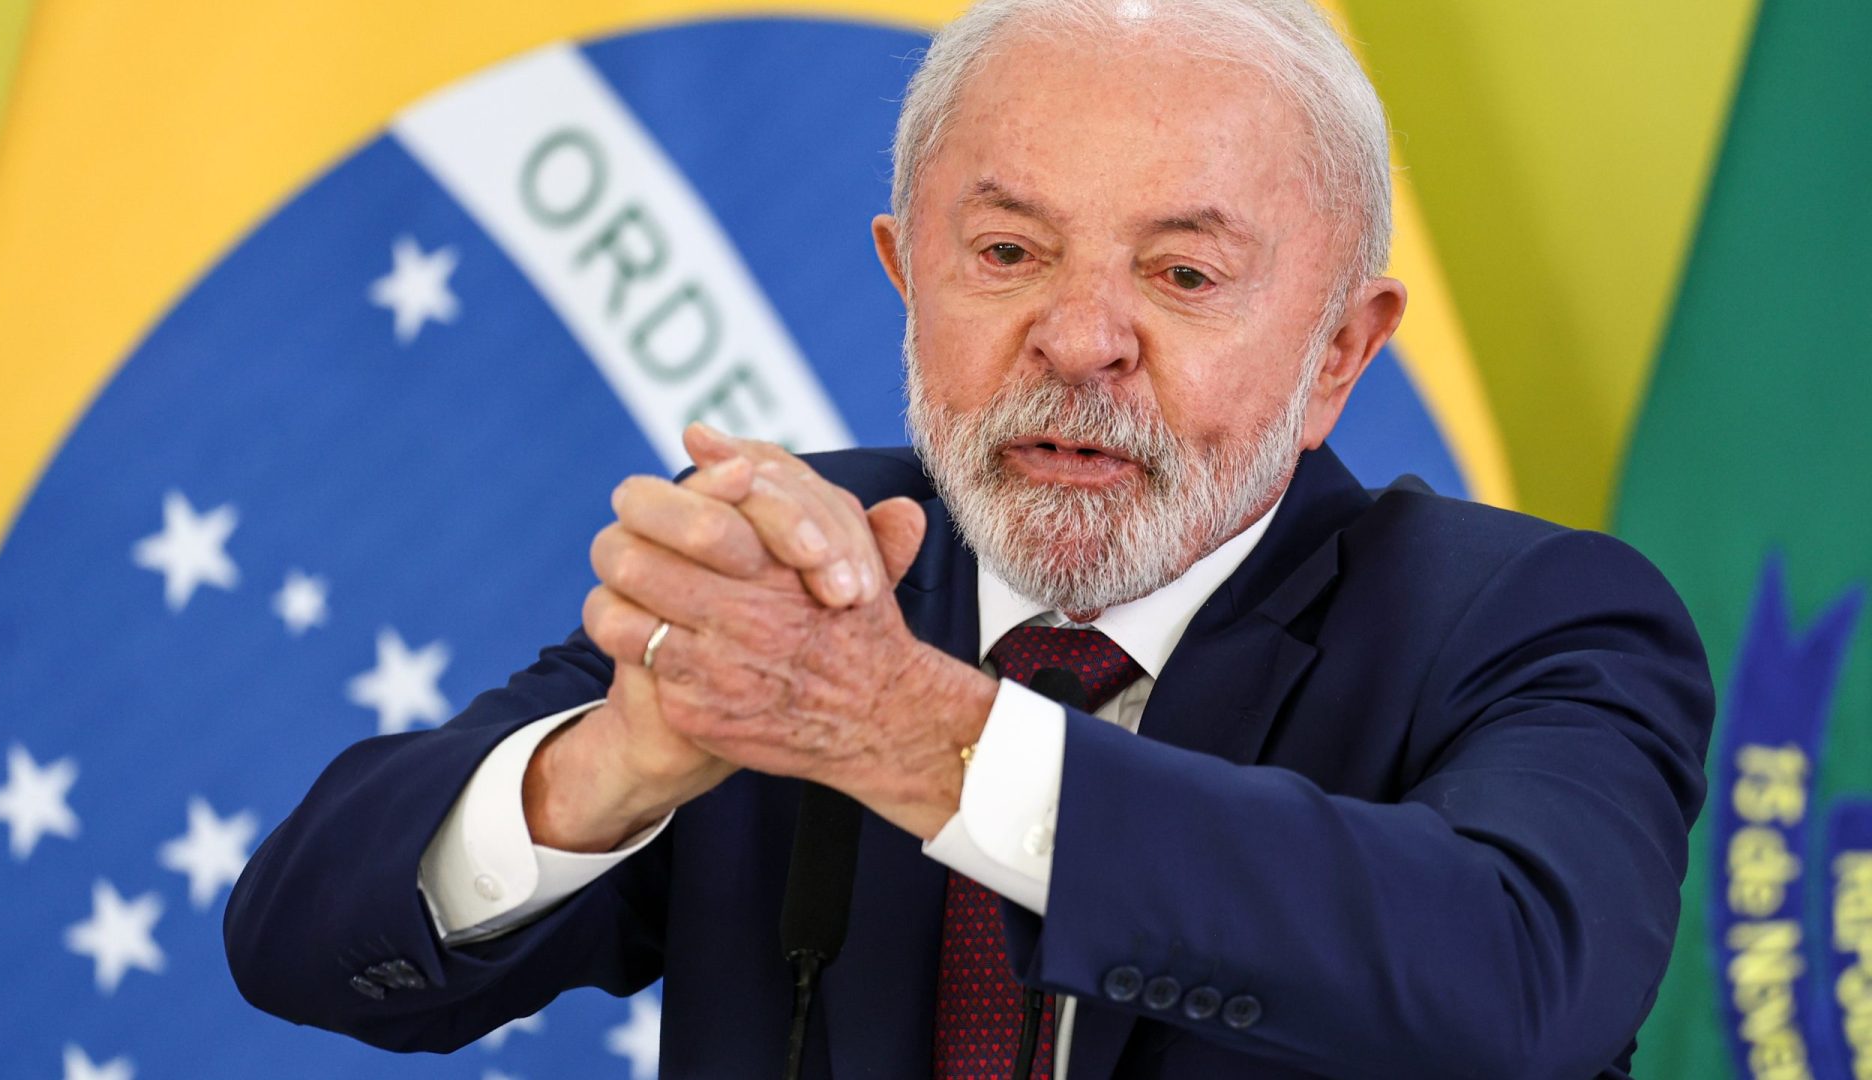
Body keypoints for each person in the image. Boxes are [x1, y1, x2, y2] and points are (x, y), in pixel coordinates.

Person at [224, 0, 1713, 1076]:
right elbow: (302, 943)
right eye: (1005, 254)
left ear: (1340, 348)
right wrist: (616, 767)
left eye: (1184, 274)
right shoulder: (802, 574)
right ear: (903, 273)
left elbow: (1527, 981)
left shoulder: (1533, 620)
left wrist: (920, 737)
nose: (1078, 341)